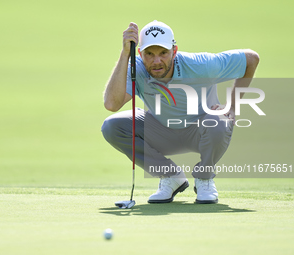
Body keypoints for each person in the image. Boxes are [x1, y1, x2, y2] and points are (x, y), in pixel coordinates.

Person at [101, 20, 259, 204]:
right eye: (149, 54)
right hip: (162, 129)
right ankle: (170, 177)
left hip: (201, 131)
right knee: (112, 126)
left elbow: (251, 59)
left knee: (220, 121)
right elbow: (112, 104)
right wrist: (124, 54)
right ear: (140, 53)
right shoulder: (137, 67)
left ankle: (204, 179)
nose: (156, 61)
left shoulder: (201, 65)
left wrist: (232, 107)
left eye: (163, 53)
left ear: (174, 51)